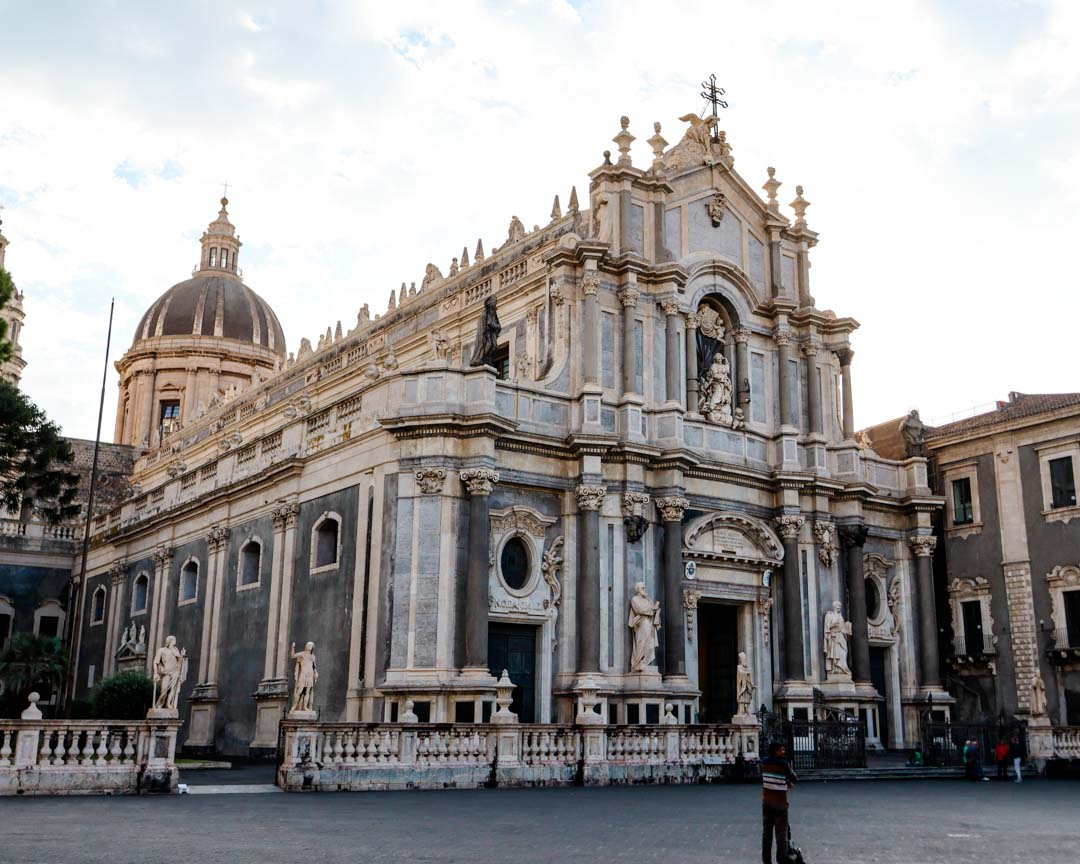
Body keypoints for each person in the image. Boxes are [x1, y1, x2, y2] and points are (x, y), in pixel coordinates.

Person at [761, 741, 797, 864]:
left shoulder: (764, 762)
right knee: (781, 835)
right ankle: (781, 860)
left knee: (767, 834)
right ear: (776, 751)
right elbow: (794, 777)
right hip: (780, 804)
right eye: (781, 749)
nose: (783, 751)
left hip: (766, 802)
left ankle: (766, 860)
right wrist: (787, 781)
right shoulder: (783, 764)